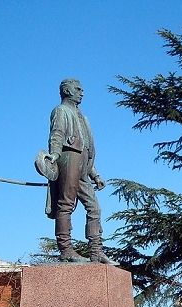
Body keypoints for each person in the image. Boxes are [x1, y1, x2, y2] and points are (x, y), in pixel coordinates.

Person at [38, 78, 114, 264]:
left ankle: (96, 251)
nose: (82, 92)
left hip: (82, 164)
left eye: (82, 89)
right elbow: (56, 134)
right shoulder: (60, 110)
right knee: (65, 204)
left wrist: (94, 174)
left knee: (94, 207)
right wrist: (54, 155)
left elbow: (86, 149)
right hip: (68, 158)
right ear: (66, 90)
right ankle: (66, 250)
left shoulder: (83, 117)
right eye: (78, 89)